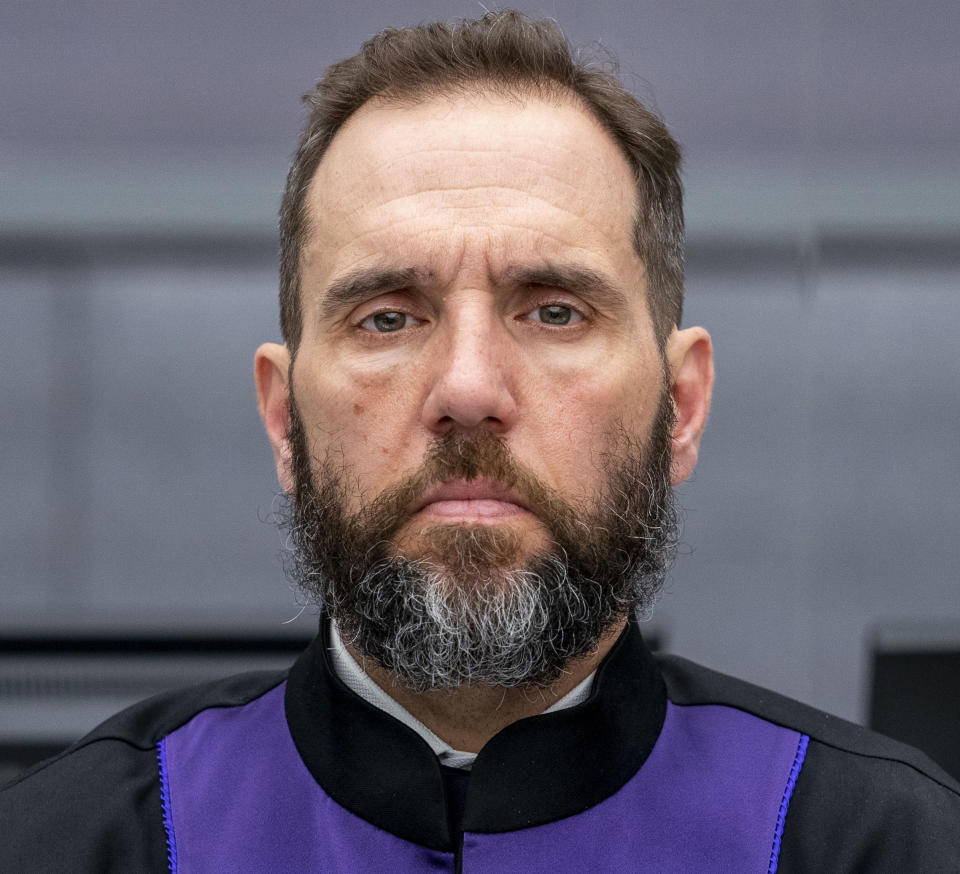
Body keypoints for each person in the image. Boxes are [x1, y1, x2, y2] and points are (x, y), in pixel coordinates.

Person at [2, 11, 958, 872]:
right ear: (284, 417)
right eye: (386, 318)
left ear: (683, 407)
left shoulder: (881, 845)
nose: (467, 388)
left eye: (552, 311)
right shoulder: (68, 846)